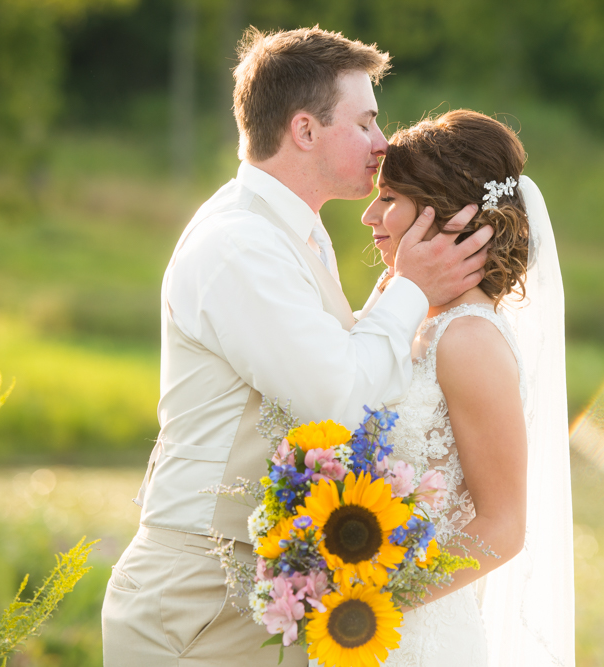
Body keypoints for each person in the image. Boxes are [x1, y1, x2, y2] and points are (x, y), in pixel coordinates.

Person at [99, 27, 493, 667]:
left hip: (257, 587)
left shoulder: (297, 236)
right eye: (365, 122)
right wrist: (411, 292)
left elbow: (332, 368)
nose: (381, 142)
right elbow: (336, 398)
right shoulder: (241, 245)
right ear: (305, 131)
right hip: (200, 593)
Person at [358, 109, 575, 666]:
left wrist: (378, 601)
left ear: (444, 217)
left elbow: (503, 526)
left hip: (415, 631)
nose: (369, 216)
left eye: (388, 199)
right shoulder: (411, 317)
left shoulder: (469, 339)